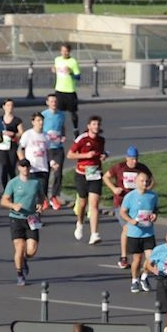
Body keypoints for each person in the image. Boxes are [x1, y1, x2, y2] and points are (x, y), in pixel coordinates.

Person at [0, 159, 44, 285]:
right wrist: (13, 205)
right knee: (19, 248)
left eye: (27, 167)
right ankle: (19, 274)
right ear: (19, 168)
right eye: (23, 167)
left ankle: (24, 259)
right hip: (16, 218)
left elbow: (41, 196)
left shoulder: (36, 182)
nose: (25, 169)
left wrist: (40, 204)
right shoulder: (13, 183)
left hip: (31, 218)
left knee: (31, 250)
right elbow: (3, 201)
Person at [67, 115, 107, 244]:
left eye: (98, 124)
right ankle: (80, 223)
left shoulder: (101, 140)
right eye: (94, 124)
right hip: (82, 174)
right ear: (89, 126)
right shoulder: (82, 139)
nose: (96, 127)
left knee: (94, 204)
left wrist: (104, 156)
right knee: (83, 203)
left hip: (95, 174)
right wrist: (86, 155)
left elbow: (102, 152)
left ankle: (94, 234)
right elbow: (70, 154)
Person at [52, 43, 81, 132]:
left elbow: (78, 77)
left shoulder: (73, 61)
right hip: (59, 90)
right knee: (59, 112)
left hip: (70, 91)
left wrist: (71, 72)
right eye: (63, 51)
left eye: (66, 51)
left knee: (72, 112)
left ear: (69, 52)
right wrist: (53, 69)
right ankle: (60, 130)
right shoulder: (57, 60)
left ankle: (75, 129)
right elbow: (55, 68)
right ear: (60, 51)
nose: (64, 53)